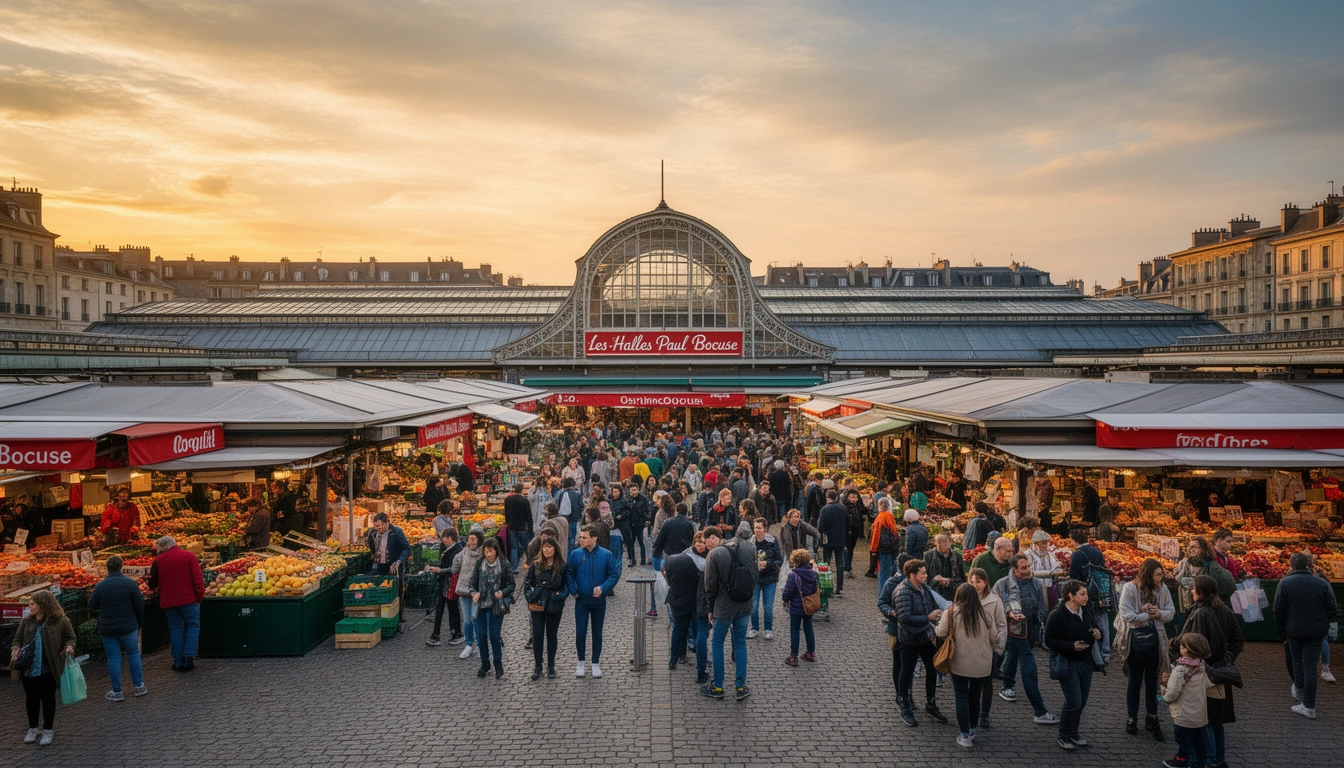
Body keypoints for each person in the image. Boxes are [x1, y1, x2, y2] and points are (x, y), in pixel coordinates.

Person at [1111, 557, 1175, 740]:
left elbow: (1170, 612)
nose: (1160, 578)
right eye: (1157, 575)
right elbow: (1126, 614)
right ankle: (1132, 717)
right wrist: (1146, 615)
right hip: (1135, 642)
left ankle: (1152, 717)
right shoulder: (1130, 589)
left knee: (1152, 682)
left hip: (1156, 641)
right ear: (1148, 574)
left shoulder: (1162, 590)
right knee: (1134, 681)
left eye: (1161, 574)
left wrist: (1159, 613)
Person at [936, 582, 1006, 748]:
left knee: (961, 697)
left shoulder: (952, 612)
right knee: (975, 696)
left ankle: (964, 735)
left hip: (960, 662)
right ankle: (972, 729)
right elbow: (994, 637)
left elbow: (940, 632)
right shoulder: (986, 615)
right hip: (982, 664)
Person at [993, 553, 1058, 725]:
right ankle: (1039, 710)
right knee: (1029, 666)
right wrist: (1009, 614)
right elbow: (997, 605)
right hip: (1014, 628)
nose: (1027, 570)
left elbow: (1043, 606)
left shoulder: (1037, 583)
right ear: (1013, 569)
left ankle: (1007, 686)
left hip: (1032, 627)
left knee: (1013, 656)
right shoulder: (1002, 584)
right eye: (1023, 568)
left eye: (1028, 566)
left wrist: (1040, 621)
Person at [1275, 551, 1339, 720]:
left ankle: (1302, 695)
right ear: (1309, 565)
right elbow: (1333, 609)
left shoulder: (1285, 583)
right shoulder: (1322, 584)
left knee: (1297, 661)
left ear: (1291, 565)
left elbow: (1278, 611)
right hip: (1316, 631)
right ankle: (1309, 705)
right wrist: (1321, 622)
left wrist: (1283, 633)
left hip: (1294, 631)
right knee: (1310, 666)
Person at [9, 590, 75, 746]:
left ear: (43, 605)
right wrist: (15, 649)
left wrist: (69, 647)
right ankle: (33, 728)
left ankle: (48, 730)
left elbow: (70, 637)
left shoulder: (60, 621)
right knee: (31, 699)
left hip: (48, 668)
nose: (30, 606)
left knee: (47, 699)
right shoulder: (27, 622)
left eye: (33, 604)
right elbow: (17, 639)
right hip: (29, 668)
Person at [701, 520, 757, 701]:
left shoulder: (715, 554)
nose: (707, 547)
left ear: (713, 538)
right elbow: (755, 576)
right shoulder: (749, 548)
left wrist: (711, 609)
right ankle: (740, 686)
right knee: (740, 643)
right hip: (745, 604)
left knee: (717, 643)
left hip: (723, 607)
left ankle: (718, 686)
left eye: (707, 543)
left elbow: (709, 586)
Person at [1044, 579, 1101, 752]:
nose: (1086, 597)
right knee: (1074, 701)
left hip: (1085, 662)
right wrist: (1070, 646)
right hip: (1067, 663)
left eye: (1086, 594)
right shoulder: (1058, 615)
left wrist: (1099, 634)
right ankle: (1063, 734)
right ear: (1071, 595)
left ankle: (1073, 733)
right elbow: (1049, 640)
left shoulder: (1086, 611)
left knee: (1082, 701)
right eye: (1082, 594)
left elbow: (1094, 628)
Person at [894, 558, 949, 727]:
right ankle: (905, 705)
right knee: (907, 672)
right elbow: (904, 618)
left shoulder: (924, 588)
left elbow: (932, 606)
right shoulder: (903, 591)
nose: (926, 575)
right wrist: (928, 617)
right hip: (910, 639)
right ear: (912, 575)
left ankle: (931, 703)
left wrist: (936, 618)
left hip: (925, 637)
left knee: (932, 669)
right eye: (923, 573)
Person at [88, 554, 147, 701]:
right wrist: (138, 623)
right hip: (128, 626)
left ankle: (117, 691)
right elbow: (140, 605)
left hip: (108, 628)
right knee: (133, 655)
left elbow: (92, 605)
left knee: (113, 659)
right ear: (121, 567)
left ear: (107, 568)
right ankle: (139, 686)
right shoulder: (130, 584)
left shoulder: (100, 586)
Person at [568, 524, 621, 679]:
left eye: (584, 537)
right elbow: (570, 573)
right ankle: (581, 662)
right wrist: (573, 590)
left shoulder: (606, 555)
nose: (581, 540)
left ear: (594, 538)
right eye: (580, 537)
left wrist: (603, 588)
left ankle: (595, 663)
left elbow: (613, 575)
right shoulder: (576, 554)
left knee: (597, 632)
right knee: (581, 632)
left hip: (599, 601)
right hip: (582, 600)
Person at [147, 535, 204, 672]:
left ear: (163, 547)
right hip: (189, 599)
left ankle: (177, 661)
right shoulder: (189, 556)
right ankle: (188, 657)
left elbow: (152, 583)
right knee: (192, 625)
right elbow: (197, 579)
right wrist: (199, 596)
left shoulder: (158, 561)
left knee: (175, 628)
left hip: (169, 601)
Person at [1162, 632, 1214, 768]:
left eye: (1183, 646)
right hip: (1199, 717)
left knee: (1186, 744)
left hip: (1183, 717)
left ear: (1189, 650)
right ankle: (1184, 761)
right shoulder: (1201, 667)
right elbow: (1208, 684)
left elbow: (1172, 694)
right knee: (1199, 746)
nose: (1180, 647)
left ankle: (1189, 764)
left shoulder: (1180, 670)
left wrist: (1164, 693)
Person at [522, 535, 568, 680]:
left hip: (554, 604)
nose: (547, 549)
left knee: (552, 636)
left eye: (549, 547)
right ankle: (537, 666)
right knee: (537, 635)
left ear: (555, 548)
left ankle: (551, 665)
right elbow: (528, 583)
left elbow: (566, 585)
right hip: (537, 604)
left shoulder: (561, 566)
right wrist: (531, 596)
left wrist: (559, 596)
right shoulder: (536, 565)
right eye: (544, 547)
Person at [966, 567, 1006, 730]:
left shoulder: (994, 600)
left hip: (988, 646)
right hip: (969, 646)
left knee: (987, 682)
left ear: (985, 582)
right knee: (970, 681)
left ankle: (984, 714)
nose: (975, 585)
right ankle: (970, 712)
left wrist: (998, 645)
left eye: (979, 582)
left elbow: (1001, 624)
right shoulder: (966, 597)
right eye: (972, 582)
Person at [468, 537, 514, 679]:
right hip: (481, 604)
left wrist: (502, 592)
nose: (488, 555)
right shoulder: (479, 564)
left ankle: (498, 664)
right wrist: (474, 593)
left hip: (496, 605)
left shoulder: (504, 564)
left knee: (494, 635)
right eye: (486, 552)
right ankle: (485, 663)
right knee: (481, 636)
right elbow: (472, 583)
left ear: (496, 551)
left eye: (491, 551)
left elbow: (511, 584)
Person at [665, 531, 707, 672]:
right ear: (694, 543)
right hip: (692, 601)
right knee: (685, 630)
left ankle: (676, 657)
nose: (700, 545)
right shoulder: (704, 561)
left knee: (680, 629)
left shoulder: (681, 556)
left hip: (682, 599)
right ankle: (677, 657)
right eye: (698, 542)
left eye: (703, 542)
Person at [1068, 528, 1111, 665]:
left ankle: (1094, 653)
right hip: (1100, 592)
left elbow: (1073, 576)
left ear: (1074, 540)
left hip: (1085, 592)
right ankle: (1106, 651)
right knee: (1102, 620)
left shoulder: (1077, 555)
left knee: (1088, 620)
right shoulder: (1097, 551)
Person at [1173, 537, 1235, 623]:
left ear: (1202, 549)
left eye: (1194, 547)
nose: (1190, 549)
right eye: (1189, 547)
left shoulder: (1212, 566)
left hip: (1206, 611)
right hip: (1187, 608)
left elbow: (1227, 587)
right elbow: (1177, 578)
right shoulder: (1183, 564)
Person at [425, 527, 464, 646]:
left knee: (451, 607)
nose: (442, 541)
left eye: (444, 539)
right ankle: (441, 633)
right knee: (442, 607)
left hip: (451, 583)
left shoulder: (457, 550)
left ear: (450, 538)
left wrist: (439, 570)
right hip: (445, 582)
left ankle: (455, 632)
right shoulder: (449, 549)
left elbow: (453, 569)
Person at [780, 548, 818, 666]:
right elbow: (814, 589)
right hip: (808, 607)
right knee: (808, 628)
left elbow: (787, 592)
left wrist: (785, 600)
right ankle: (810, 653)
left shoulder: (793, 575)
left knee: (795, 630)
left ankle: (793, 656)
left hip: (796, 608)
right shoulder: (813, 574)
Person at [451, 527, 485, 659]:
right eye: (469, 539)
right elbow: (455, 568)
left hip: (477, 592)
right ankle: (469, 644)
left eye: (473, 539)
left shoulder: (483, 554)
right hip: (463, 590)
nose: (471, 542)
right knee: (467, 619)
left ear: (479, 540)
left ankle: (479, 645)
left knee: (475, 618)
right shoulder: (463, 553)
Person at [748, 517, 783, 640]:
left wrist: (767, 564)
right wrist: (754, 564)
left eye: (759, 528)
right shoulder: (750, 542)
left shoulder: (772, 541)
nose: (757, 530)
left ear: (765, 529)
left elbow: (779, 560)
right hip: (755, 579)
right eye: (755, 528)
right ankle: (754, 628)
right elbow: (746, 560)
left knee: (768, 607)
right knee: (754, 605)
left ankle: (768, 629)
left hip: (769, 579)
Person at [817, 490, 849, 598]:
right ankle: (839, 587)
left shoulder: (825, 509)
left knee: (826, 563)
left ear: (827, 497)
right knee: (840, 563)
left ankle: (826, 587)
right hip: (840, 540)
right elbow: (848, 524)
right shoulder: (843, 508)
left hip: (828, 541)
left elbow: (821, 526)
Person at [924, 533, 966, 603]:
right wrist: (936, 581)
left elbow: (962, 577)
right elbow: (925, 576)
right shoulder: (928, 556)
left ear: (949, 543)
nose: (942, 547)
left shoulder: (957, 557)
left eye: (945, 544)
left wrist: (949, 581)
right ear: (935, 543)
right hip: (935, 592)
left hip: (952, 592)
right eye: (939, 544)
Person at [365, 512, 411, 577]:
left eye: (380, 525)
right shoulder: (373, 533)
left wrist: (399, 561)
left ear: (387, 523)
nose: (378, 528)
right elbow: (372, 547)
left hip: (393, 566)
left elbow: (406, 548)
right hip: (380, 566)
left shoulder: (396, 532)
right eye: (376, 526)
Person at [870, 498, 900, 589]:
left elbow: (876, 535)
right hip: (891, 547)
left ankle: (883, 592)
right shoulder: (890, 516)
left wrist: (873, 549)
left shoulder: (880, 517)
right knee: (890, 569)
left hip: (883, 548)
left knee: (883, 571)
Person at [503, 483, 533, 569]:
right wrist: (530, 527)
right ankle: (530, 564)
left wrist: (507, 523)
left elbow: (506, 513)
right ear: (522, 490)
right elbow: (528, 515)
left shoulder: (507, 500)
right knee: (527, 546)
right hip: (523, 528)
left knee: (514, 548)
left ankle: (514, 568)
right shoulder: (524, 501)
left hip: (512, 527)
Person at [842, 489, 867, 576]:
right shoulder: (845, 506)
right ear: (847, 497)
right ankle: (847, 567)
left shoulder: (858, 506)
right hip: (848, 529)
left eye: (855, 497)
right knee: (848, 548)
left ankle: (848, 566)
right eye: (851, 497)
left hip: (856, 529)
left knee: (851, 549)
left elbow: (862, 514)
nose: (853, 499)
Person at [556, 477, 585, 547]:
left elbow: (557, 504)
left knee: (564, 536)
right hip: (573, 518)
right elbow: (581, 506)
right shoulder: (577, 494)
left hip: (563, 519)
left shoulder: (560, 494)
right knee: (572, 536)